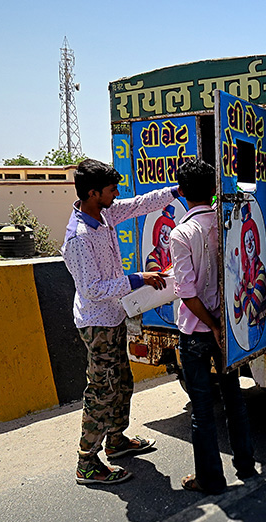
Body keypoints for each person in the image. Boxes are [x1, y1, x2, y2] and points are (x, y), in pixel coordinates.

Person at [62, 158, 179, 485]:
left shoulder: (105, 212)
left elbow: (140, 204)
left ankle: (116, 441)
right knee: (102, 390)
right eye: (111, 190)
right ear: (92, 192)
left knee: (122, 381)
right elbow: (93, 289)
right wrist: (138, 279)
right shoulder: (80, 237)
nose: (117, 195)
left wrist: (176, 191)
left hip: (114, 315)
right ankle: (87, 461)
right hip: (97, 322)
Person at [170, 159, 257, 494]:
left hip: (196, 333)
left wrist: (212, 325)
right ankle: (246, 464)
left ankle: (211, 480)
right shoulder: (226, 224)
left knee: (202, 410)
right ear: (212, 190)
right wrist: (223, 325)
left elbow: (188, 294)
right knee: (234, 398)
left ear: (181, 193)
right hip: (228, 328)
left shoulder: (181, 234)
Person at [231, 203, 266, 348]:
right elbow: (238, 315)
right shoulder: (246, 274)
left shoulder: (261, 271)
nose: (250, 245)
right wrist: (235, 287)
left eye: (252, 239)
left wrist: (239, 289)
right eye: (246, 242)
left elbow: (252, 313)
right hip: (251, 330)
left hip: (258, 329)